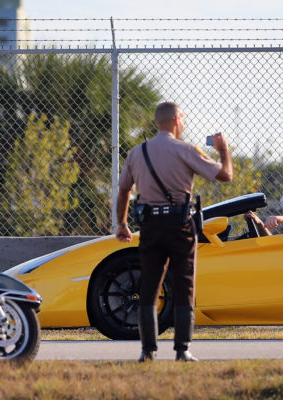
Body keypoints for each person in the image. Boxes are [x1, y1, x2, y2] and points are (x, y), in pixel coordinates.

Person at [115, 102, 232, 362]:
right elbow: (225, 175)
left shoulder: (137, 152)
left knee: (149, 287)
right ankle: (182, 349)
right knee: (184, 285)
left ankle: (147, 351)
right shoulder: (187, 150)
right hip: (180, 226)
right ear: (178, 120)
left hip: (150, 227)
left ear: (157, 122)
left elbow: (124, 191)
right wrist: (223, 150)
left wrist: (121, 224)